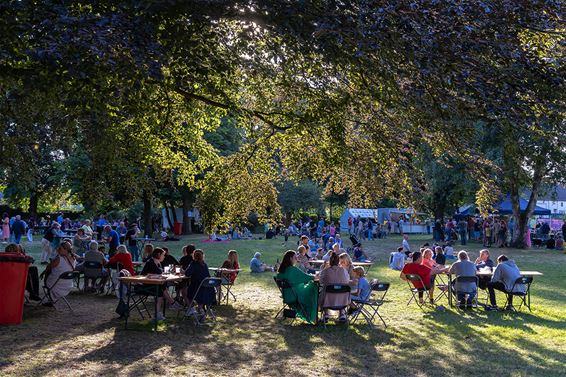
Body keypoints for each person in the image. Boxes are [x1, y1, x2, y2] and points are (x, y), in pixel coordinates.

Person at [275, 250, 319, 324]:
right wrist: (316, 276)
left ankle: (311, 315)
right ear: (290, 259)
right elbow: (307, 277)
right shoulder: (293, 270)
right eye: (295, 257)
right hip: (296, 296)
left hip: (287, 296)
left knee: (308, 286)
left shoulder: (280, 272)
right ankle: (312, 316)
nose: (297, 259)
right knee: (313, 287)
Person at [140, 248, 183, 320]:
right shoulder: (150, 262)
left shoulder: (158, 263)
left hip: (156, 284)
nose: (164, 256)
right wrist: (158, 276)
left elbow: (158, 274)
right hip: (147, 285)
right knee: (161, 289)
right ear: (158, 254)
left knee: (161, 288)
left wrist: (161, 275)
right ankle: (171, 303)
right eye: (163, 255)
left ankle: (159, 312)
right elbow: (144, 275)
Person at [319, 253, 350, 323]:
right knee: (341, 290)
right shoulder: (344, 271)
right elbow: (347, 281)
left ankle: (326, 313)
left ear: (330, 262)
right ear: (338, 262)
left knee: (324, 291)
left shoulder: (325, 271)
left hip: (328, 301)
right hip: (343, 301)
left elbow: (320, 281)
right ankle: (342, 313)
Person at [185, 249, 216, 318]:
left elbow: (187, 274)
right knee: (200, 290)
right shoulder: (204, 265)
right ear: (202, 256)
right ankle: (200, 308)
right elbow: (208, 276)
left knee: (186, 292)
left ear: (193, 256)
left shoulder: (193, 264)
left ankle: (191, 308)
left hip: (197, 289)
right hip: (208, 290)